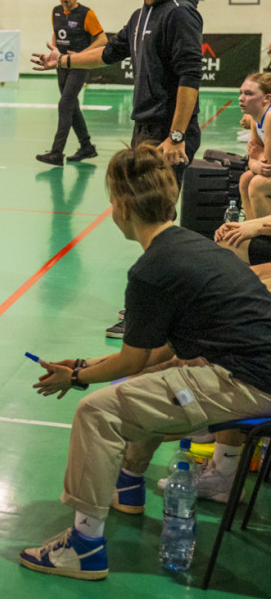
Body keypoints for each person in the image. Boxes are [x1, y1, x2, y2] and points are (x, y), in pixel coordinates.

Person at [18, 145, 271, 581]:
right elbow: (158, 353)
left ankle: (83, 546)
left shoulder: (151, 270)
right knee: (160, 378)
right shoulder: (189, 243)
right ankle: (128, 483)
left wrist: (77, 379)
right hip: (251, 370)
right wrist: (81, 363)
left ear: (119, 209)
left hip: (250, 383)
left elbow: (129, 362)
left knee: (97, 411)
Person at [32, 0, 204, 339]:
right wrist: (65, 59)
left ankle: (155, 313)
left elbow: (190, 77)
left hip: (167, 134)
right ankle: (165, 305)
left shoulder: (178, 13)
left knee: (155, 223)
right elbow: (110, 52)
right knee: (151, 221)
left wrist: (176, 136)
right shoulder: (142, 14)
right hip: (145, 127)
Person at [35, 0, 107, 166]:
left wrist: (83, 55)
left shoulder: (86, 14)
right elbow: (56, 34)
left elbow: (102, 39)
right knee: (71, 106)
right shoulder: (56, 11)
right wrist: (54, 52)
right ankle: (87, 147)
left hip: (79, 66)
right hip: (61, 64)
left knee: (65, 103)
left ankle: (56, 152)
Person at [225, 73, 271, 223]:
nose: (241, 98)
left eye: (249, 94)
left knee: (258, 185)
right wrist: (256, 161)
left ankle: (265, 238)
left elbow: (268, 164)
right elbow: (253, 156)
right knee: (245, 179)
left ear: (267, 98)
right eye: (241, 93)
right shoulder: (255, 117)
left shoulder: (270, 117)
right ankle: (250, 229)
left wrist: (258, 158)